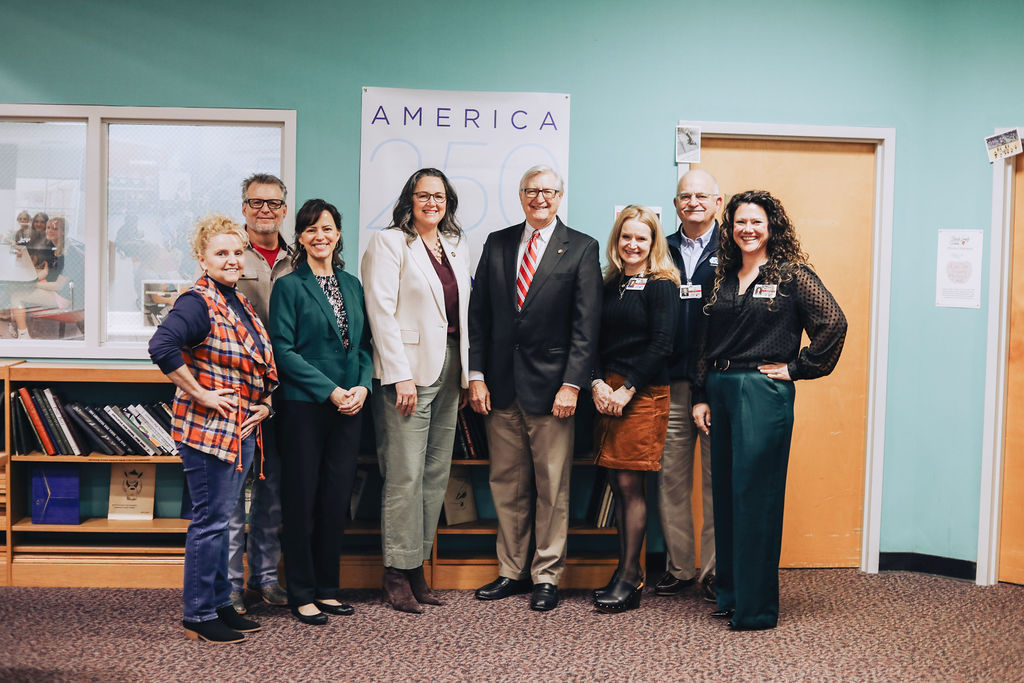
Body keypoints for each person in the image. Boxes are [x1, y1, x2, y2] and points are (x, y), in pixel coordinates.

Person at [691, 190, 847, 631]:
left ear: (771, 227)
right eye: (740, 222)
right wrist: (701, 393)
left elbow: (833, 323)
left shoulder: (792, 275)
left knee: (754, 498)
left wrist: (797, 368)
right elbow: (702, 342)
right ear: (731, 228)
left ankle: (756, 609)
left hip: (762, 392)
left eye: (756, 222)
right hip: (719, 388)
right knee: (724, 493)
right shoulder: (719, 276)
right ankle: (731, 594)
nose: (748, 230)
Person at [469, 165, 602, 612]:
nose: (539, 197)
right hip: (500, 387)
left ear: (560, 196)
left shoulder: (582, 248)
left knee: (552, 486)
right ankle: (511, 570)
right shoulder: (498, 242)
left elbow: (587, 327)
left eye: (547, 191)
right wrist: (476, 375)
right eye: (531, 190)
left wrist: (572, 384)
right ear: (521, 195)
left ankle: (547, 575)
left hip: (553, 391)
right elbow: (479, 317)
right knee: (507, 484)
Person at [148, 213, 277, 644]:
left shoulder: (237, 300)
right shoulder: (197, 300)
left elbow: (255, 365)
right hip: (208, 432)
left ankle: (221, 603)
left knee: (226, 521)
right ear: (203, 259)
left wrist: (264, 403)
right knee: (211, 523)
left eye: (238, 252)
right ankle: (199, 614)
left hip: (239, 430)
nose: (232, 260)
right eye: (222, 253)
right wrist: (201, 394)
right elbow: (162, 346)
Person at [361, 168, 471, 613]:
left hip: (449, 366)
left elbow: (465, 313)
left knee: (434, 475)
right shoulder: (389, 243)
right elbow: (381, 312)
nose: (431, 202)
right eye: (423, 195)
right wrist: (398, 373)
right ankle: (395, 573)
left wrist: (469, 374)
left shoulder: (456, 246)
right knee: (404, 475)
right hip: (407, 373)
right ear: (409, 199)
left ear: (449, 201)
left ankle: (416, 566)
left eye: (439, 196)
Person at [269, 198, 372, 625]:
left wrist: (363, 386)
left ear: (339, 234)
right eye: (311, 229)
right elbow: (283, 351)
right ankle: (302, 592)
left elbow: (364, 346)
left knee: (335, 500)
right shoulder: (289, 286)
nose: (320, 236)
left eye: (327, 228)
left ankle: (328, 588)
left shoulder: (352, 284)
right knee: (301, 499)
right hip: (305, 408)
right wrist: (331, 390)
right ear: (299, 237)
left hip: (350, 407)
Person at [591, 205, 679, 613]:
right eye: (626, 237)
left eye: (641, 238)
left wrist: (626, 390)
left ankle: (631, 576)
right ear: (617, 240)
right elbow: (589, 339)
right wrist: (596, 384)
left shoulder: (662, 284)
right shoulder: (610, 284)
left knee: (630, 486)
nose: (632, 244)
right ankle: (622, 570)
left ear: (653, 243)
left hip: (641, 394)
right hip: (606, 393)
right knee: (616, 482)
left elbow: (662, 345)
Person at [226, 173, 293, 614]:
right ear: (244, 207)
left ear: (285, 208)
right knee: (232, 494)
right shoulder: (230, 253)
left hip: (286, 389)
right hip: (239, 390)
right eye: (256, 202)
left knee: (274, 489)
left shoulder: (299, 256)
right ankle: (230, 584)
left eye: (273, 203)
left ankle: (265, 578)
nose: (265, 210)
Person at [656, 170, 722, 601]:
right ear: (676, 204)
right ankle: (679, 567)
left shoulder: (735, 247)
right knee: (671, 480)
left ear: (718, 201)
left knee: (718, 482)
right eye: (685, 196)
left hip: (718, 382)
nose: (693, 201)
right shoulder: (660, 248)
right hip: (672, 382)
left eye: (702, 195)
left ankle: (715, 571)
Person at [10, 217, 85, 339]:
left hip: (64, 297)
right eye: (48, 228)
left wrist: (32, 284)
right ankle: (16, 324)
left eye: (55, 228)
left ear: (63, 232)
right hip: (60, 290)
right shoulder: (57, 247)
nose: (50, 231)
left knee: (16, 296)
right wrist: (35, 278)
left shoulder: (69, 253)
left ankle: (23, 336)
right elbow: (49, 272)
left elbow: (58, 286)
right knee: (17, 288)